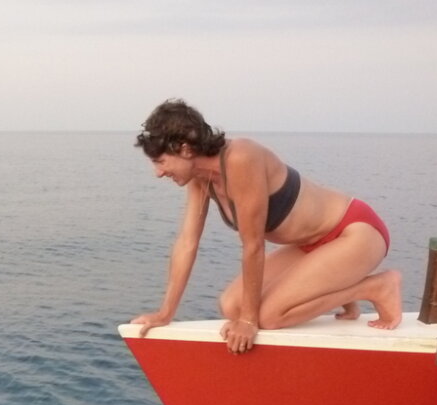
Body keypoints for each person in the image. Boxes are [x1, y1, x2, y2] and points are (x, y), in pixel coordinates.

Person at [130, 99, 401, 354]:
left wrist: (248, 322)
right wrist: (165, 313)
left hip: (353, 232)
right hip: (312, 244)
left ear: (185, 149)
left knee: (268, 317)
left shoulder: (240, 158)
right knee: (231, 305)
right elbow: (187, 243)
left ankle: (373, 287)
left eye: (161, 161)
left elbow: (253, 245)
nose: (158, 172)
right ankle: (340, 288)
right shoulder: (201, 180)